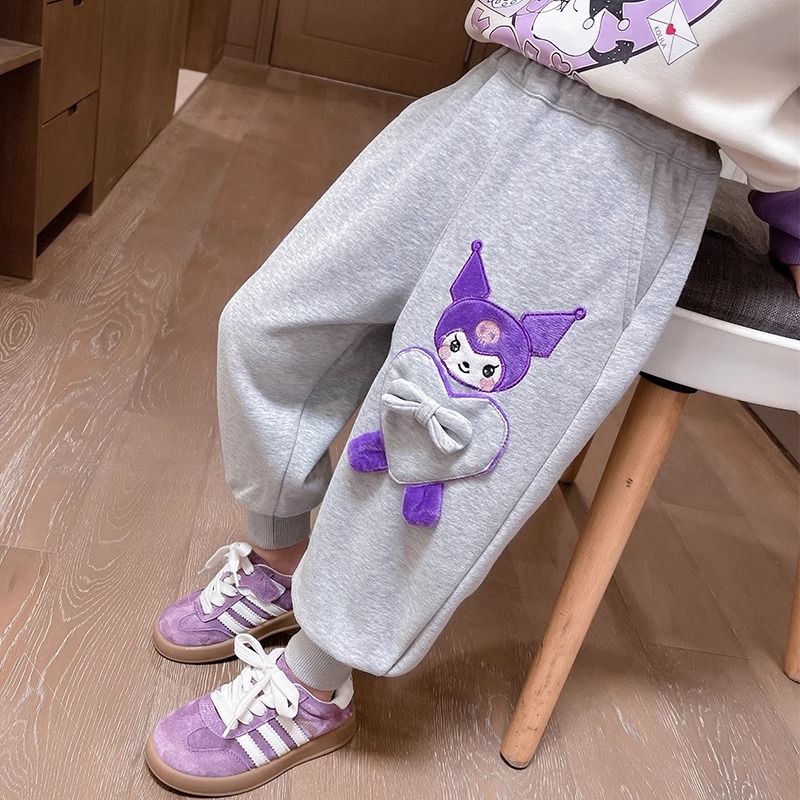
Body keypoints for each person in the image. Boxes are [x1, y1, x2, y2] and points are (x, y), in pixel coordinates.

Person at [144, 1, 799, 794]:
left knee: (435, 434)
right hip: (496, 86)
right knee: (269, 322)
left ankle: (317, 680)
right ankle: (282, 557)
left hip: (629, 158)